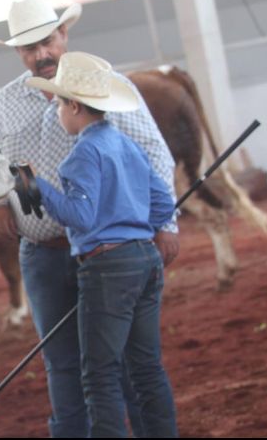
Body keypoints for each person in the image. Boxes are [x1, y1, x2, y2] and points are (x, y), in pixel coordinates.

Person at [0, 0, 179, 437]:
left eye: (46, 41)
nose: (41, 54)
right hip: (48, 254)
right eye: (29, 48)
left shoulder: (108, 87)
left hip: (106, 252)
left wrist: (165, 225)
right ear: (17, 52)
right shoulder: (5, 104)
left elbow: (156, 159)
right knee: (69, 365)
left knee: (114, 366)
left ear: (63, 35)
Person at [25, 51, 178, 437]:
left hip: (107, 267)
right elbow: (161, 203)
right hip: (144, 259)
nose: (57, 112)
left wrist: (37, 185)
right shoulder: (126, 145)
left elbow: (79, 216)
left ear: (74, 105)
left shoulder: (81, 155)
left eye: (59, 103)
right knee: (146, 367)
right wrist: (130, 216)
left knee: (100, 374)